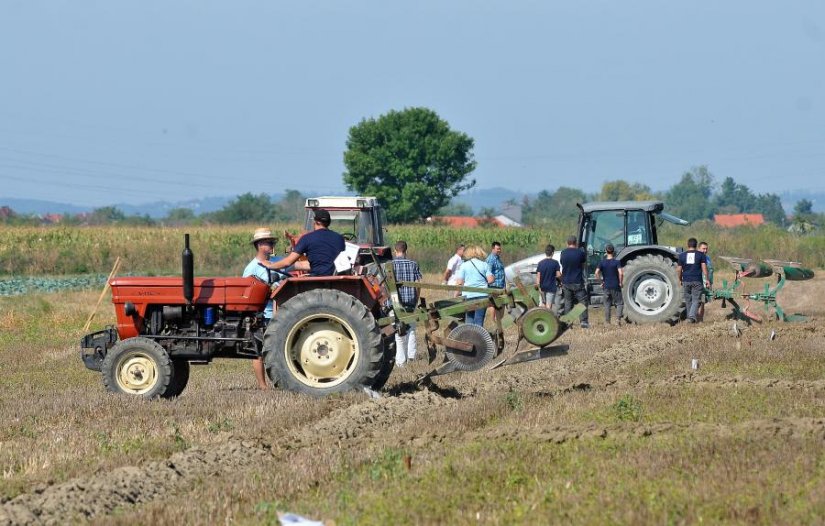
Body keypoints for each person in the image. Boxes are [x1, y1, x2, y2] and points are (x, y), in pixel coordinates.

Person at [242, 228, 284, 390]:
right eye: (269, 242)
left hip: (281, 314)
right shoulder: (251, 269)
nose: (272, 245)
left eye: (273, 242)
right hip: (264, 314)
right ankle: (263, 386)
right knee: (259, 351)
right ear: (259, 245)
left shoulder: (279, 261)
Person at [269, 209, 345, 276]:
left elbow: (288, 262)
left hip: (316, 279)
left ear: (316, 222)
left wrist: (270, 266)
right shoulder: (340, 238)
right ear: (328, 223)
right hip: (335, 278)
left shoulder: (307, 238)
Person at [391, 241, 423, 366]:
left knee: (398, 332)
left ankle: (400, 361)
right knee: (412, 329)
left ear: (395, 251)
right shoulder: (413, 264)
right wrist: (416, 298)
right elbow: (418, 284)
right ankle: (412, 356)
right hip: (410, 300)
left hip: (395, 303)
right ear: (406, 251)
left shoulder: (389, 265)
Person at [454, 245, 494, 326]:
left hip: (468, 296)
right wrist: (493, 277)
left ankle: (469, 337)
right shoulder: (484, 264)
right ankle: (479, 337)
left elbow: (459, 283)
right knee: (479, 320)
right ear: (480, 253)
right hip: (482, 296)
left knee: (469, 319)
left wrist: (456, 295)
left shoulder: (464, 265)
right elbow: (490, 280)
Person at [559, 235, 590, 328]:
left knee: (568, 302)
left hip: (566, 282)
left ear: (567, 243)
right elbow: (584, 265)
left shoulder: (563, 253)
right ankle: (583, 322)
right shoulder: (580, 253)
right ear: (576, 243)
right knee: (582, 302)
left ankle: (568, 322)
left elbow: (562, 263)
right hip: (577, 281)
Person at [677, 237, 709, 323]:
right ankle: (691, 317)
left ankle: (690, 318)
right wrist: (707, 279)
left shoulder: (682, 255)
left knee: (688, 300)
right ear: (696, 245)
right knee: (696, 300)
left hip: (686, 280)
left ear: (688, 245)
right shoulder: (701, 255)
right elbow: (704, 268)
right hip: (697, 280)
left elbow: (679, 269)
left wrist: (679, 279)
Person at [594, 243, 624, 325]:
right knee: (619, 303)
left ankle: (607, 322)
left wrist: (601, 282)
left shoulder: (602, 262)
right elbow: (621, 273)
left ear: (606, 251)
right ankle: (618, 320)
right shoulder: (617, 262)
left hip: (606, 286)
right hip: (615, 285)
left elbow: (596, 273)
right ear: (613, 251)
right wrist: (620, 283)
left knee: (607, 304)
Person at [536, 244, 561, 312]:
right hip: (551, 287)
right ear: (552, 253)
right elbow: (558, 275)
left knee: (542, 305)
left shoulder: (540, 263)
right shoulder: (555, 263)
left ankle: (542, 319)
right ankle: (547, 320)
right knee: (548, 306)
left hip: (542, 287)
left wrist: (539, 287)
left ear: (545, 253)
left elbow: (538, 277)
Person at [697, 241, 713, 322]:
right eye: (703, 249)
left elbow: (710, 271)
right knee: (698, 302)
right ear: (698, 248)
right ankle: (696, 320)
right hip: (699, 284)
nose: (705, 250)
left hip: (707, 284)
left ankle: (700, 320)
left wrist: (710, 283)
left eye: (706, 249)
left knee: (703, 303)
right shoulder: (697, 258)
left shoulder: (708, 258)